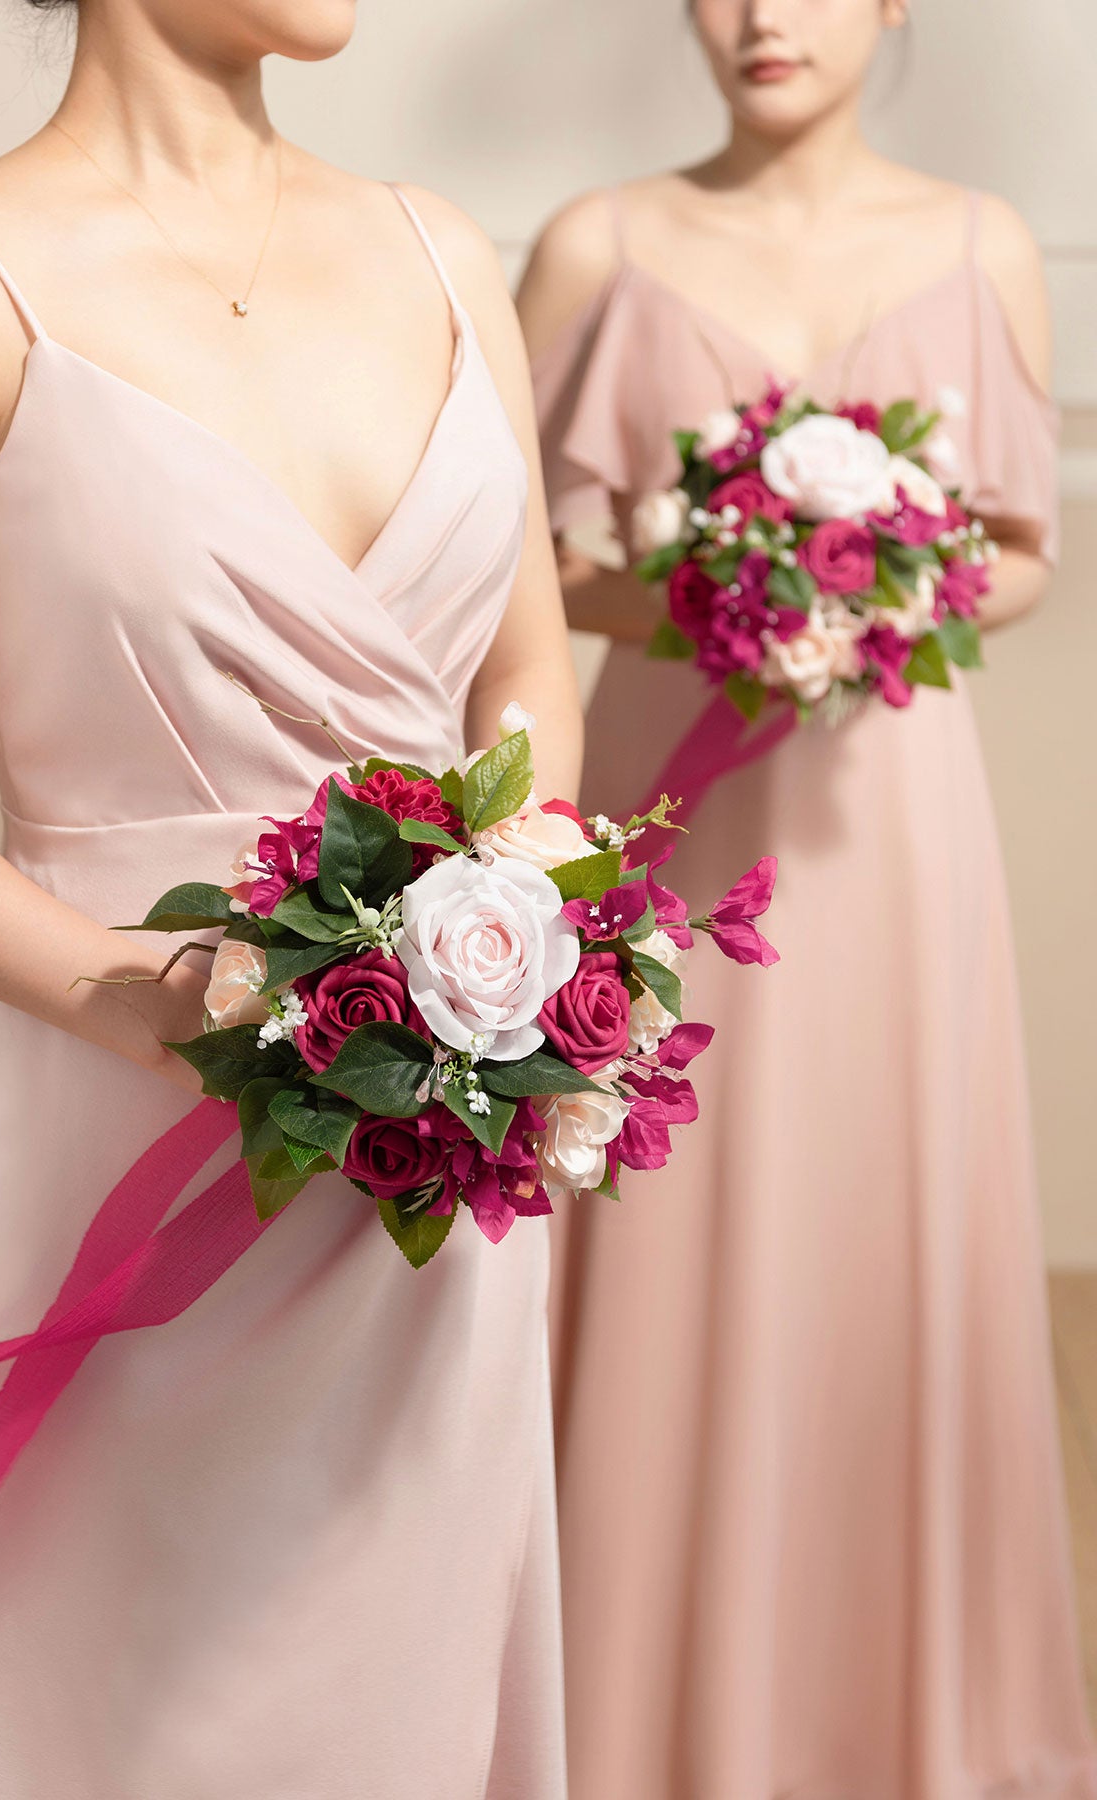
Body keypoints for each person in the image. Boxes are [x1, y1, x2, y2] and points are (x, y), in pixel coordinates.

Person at [0, 0, 581, 1792]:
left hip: (425, 1144)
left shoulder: (443, 250)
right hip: (110, 1119)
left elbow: (529, 674)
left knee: (409, 1698)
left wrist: (518, 948)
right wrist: (144, 998)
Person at [517, 1, 1096, 1794]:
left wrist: (886, 594)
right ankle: (639, 1723)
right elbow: (510, 563)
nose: (765, 15)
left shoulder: (983, 238)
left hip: (890, 832)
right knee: (667, 1209)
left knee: (883, 1221)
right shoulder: (597, 243)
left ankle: (902, 1728)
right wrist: (720, 600)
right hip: (672, 803)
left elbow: (1022, 553)